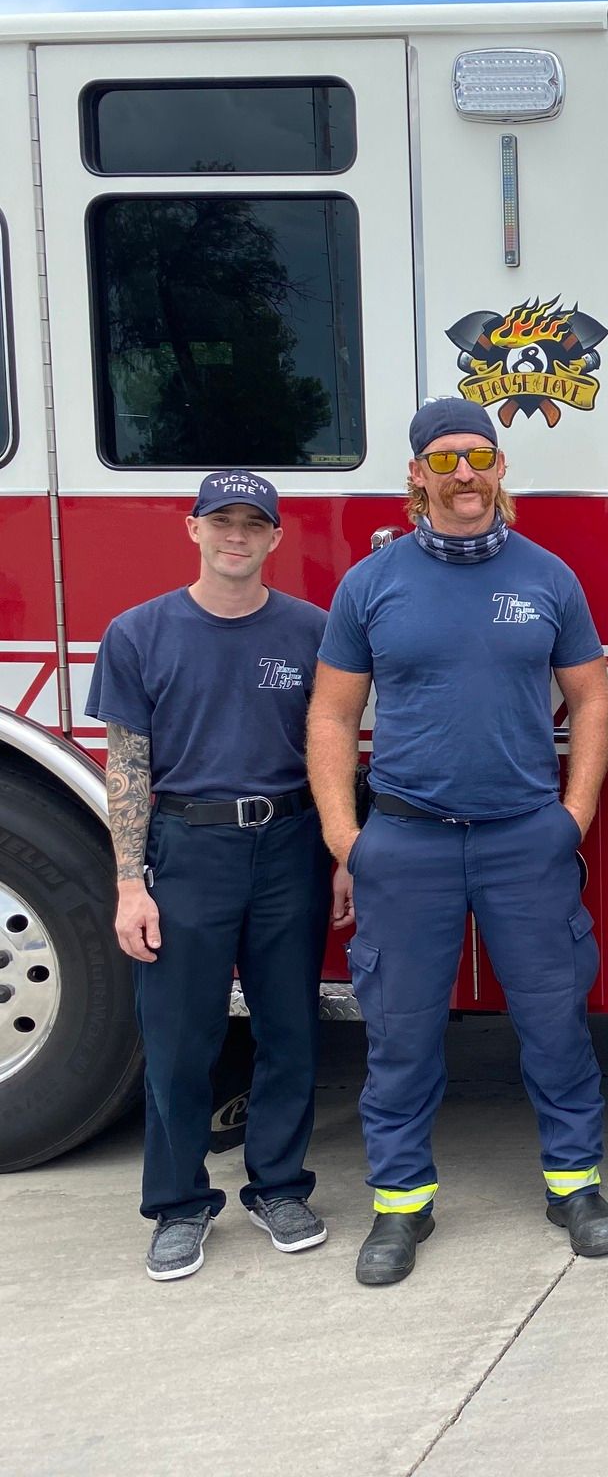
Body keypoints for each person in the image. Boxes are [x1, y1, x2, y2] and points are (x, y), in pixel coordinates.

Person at [309, 399, 608, 1286]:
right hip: (405, 844)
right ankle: (400, 1203)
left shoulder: (549, 577)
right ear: (416, 476)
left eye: (479, 458)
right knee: (402, 1032)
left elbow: (591, 700)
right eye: (444, 462)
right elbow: (332, 714)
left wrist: (573, 814)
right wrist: (346, 837)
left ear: (500, 468)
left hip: (526, 839)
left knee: (553, 1021)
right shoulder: (372, 585)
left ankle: (576, 1185)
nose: (464, 477)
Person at [88, 471, 335, 1281]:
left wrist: (341, 856)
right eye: (221, 521)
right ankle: (179, 1205)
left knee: (290, 1030)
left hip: (290, 844)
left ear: (275, 538)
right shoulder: (138, 633)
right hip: (186, 849)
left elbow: (336, 749)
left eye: (253, 523)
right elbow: (128, 764)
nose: (238, 535)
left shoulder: (312, 631)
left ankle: (279, 1186)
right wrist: (130, 883)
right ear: (192, 530)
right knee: (179, 1040)